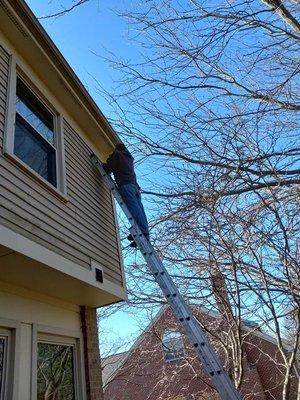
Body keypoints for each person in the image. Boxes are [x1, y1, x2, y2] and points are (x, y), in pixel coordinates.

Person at [103, 143, 149, 247]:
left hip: (126, 186)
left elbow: (109, 167)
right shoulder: (129, 159)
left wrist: (104, 164)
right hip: (135, 187)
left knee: (134, 209)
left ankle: (142, 232)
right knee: (140, 210)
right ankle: (143, 233)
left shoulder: (118, 154)